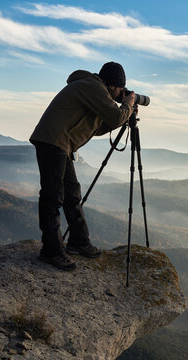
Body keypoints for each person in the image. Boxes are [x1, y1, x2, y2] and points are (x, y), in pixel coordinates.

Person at [30, 62, 135, 271]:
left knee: (72, 194)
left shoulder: (93, 91)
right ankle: (51, 251)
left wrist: (125, 113)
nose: (120, 94)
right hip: (53, 141)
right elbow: (115, 117)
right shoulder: (93, 87)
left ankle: (78, 242)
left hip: (61, 143)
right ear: (113, 85)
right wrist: (127, 106)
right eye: (120, 90)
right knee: (53, 197)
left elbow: (98, 127)